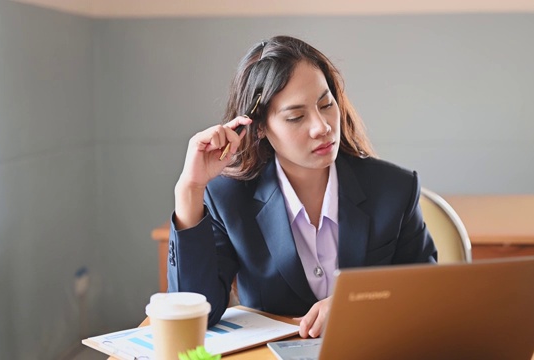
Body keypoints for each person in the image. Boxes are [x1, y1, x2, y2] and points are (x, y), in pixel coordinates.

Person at [168, 35, 437, 338]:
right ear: (259, 129)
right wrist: (190, 189)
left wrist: (357, 306)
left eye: (326, 104)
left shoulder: (394, 189)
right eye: (296, 117)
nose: (321, 126)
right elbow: (195, 316)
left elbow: (427, 294)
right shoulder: (229, 198)